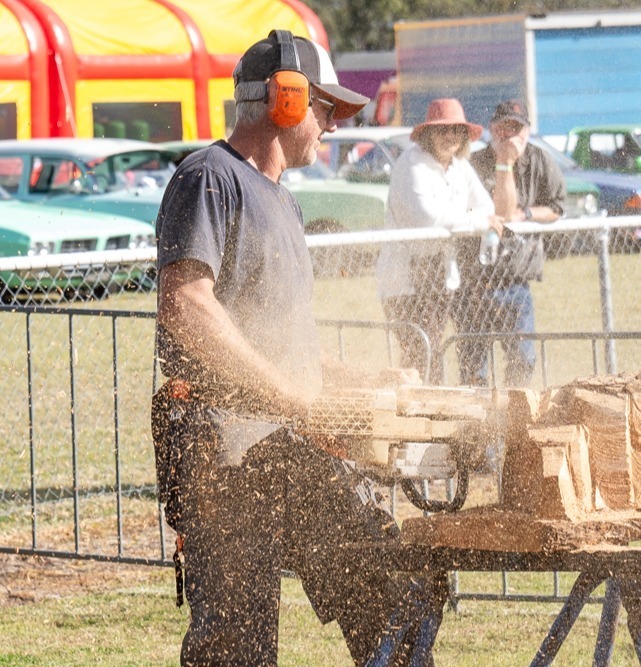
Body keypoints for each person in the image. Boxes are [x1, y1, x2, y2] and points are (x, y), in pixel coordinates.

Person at [151, 30, 443, 666]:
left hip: (283, 442)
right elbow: (186, 304)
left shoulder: (282, 201)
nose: (332, 125)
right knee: (237, 644)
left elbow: (285, 345)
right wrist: (287, 394)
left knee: (391, 592)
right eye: (324, 108)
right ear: (285, 100)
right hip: (222, 451)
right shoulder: (209, 178)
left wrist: (357, 379)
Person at [374, 98, 502, 384]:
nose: (450, 136)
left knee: (430, 353)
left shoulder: (460, 166)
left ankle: (427, 405)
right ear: (428, 133)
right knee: (421, 354)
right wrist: (476, 223)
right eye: (443, 129)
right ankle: (416, 407)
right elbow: (428, 217)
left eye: (456, 130)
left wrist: (471, 219)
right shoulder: (411, 164)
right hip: (403, 281)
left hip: (439, 275)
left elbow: (487, 207)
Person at [454, 100, 566, 387]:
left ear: (527, 131)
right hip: (475, 280)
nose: (509, 135)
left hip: (515, 278)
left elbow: (557, 207)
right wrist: (504, 163)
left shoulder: (540, 160)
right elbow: (500, 213)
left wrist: (527, 214)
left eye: (516, 128)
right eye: (503, 128)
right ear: (492, 129)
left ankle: (515, 408)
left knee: (523, 358)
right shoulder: (475, 163)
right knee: (474, 365)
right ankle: (477, 412)